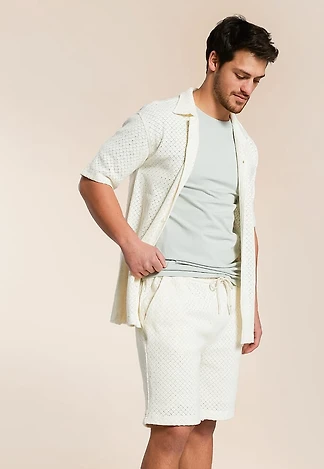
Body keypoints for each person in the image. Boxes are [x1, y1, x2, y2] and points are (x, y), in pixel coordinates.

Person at [78, 14, 279, 469]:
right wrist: (131, 244)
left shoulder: (244, 145)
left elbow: (244, 225)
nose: (248, 89)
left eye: (257, 81)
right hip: (173, 293)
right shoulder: (162, 119)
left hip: (225, 298)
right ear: (214, 61)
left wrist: (251, 305)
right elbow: (95, 179)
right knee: (174, 428)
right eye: (241, 75)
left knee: (205, 426)